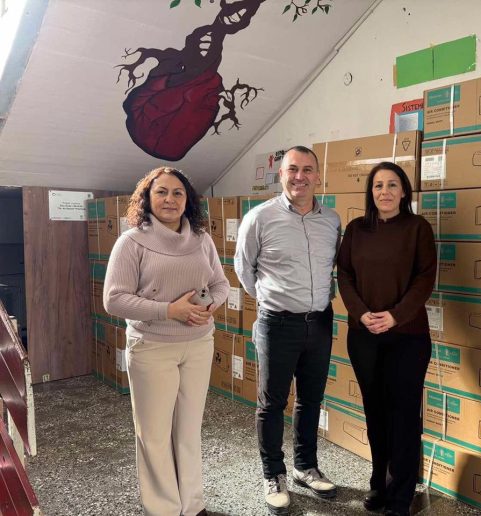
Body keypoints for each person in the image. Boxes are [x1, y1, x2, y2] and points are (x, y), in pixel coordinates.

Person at [103, 166, 229, 516]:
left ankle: (192, 505)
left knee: (188, 430)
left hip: (198, 344)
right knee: (155, 434)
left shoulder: (201, 240)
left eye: (177, 193)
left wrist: (208, 307)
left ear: (188, 200)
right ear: (147, 198)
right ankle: (163, 508)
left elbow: (220, 284)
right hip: (152, 347)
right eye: (161, 192)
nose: (170, 199)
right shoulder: (131, 242)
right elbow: (114, 299)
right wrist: (169, 310)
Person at [234, 146, 341, 515]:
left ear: (318, 176)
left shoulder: (332, 221)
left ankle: (305, 467)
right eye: (293, 169)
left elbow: (332, 268)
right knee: (272, 404)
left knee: (311, 400)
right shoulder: (259, 218)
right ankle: (273, 474)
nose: (300, 177)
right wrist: (273, 299)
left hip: (320, 322)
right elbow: (244, 269)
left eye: (308, 170)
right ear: (281, 175)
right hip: (277, 323)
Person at [336, 162, 437, 516]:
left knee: (404, 416)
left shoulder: (418, 228)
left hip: (408, 336)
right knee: (375, 413)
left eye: (392, 185)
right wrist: (361, 313)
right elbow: (344, 275)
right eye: (378, 185)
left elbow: (425, 278)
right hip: (363, 335)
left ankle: (401, 495)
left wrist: (394, 315)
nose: (385, 192)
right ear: (371, 192)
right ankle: (379, 482)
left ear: (404, 191)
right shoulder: (356, 229)